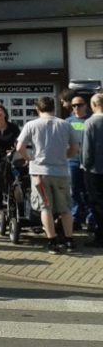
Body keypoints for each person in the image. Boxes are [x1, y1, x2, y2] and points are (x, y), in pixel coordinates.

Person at [16, 96, 78, 254]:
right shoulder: (65, 124)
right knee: (65, 208)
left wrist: (29, 158)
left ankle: (52, 242)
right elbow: (75, 148)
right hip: (61, 172)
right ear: (54, 108)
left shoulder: (31, 125)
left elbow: (19, 147)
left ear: (37, 109)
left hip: (40, 172)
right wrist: (65, 156)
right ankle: (69, 240)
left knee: (46, 207)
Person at [0, 104, 20, 227]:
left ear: (5, 113)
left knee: (11, 184)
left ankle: (13, 209)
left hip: (9, 159)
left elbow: (19, 142)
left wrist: (14, 150)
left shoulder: (13, 127)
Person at [66, 95, 92, 231]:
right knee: (74, 190)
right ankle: (75, 217)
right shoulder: (67, 122)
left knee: (89, 191)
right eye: (74, 105)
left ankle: (91, 218)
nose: (76, 107)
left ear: (86, 105)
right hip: (73, 161)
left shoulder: (91, 121)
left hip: (89, 162)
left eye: (79, 105)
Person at [82, 92, 103, 248]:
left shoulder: (90, 123)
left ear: (94, 105)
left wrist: (85, 165)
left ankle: (100, 236)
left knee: (97, 204)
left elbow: (87, 150)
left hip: (95, 170)